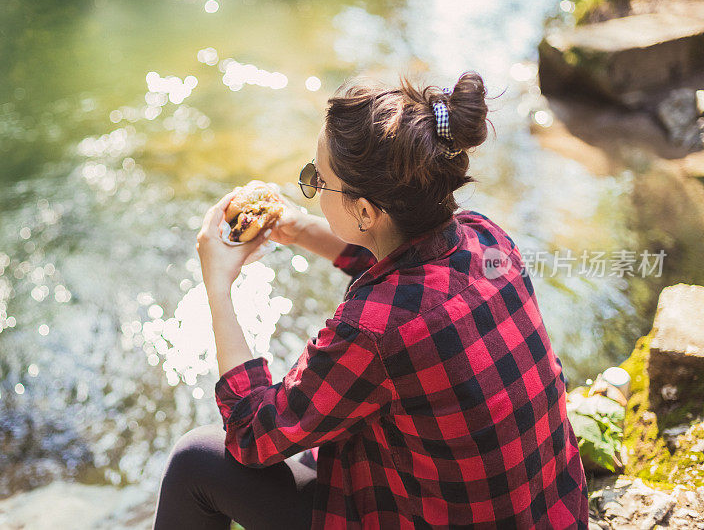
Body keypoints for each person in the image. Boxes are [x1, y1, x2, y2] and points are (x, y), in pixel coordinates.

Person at [153, 72, 588, 529]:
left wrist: (218, 284)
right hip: (549, 514)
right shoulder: (487, 238)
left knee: (194, 462)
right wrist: (299, 228)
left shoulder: (373, 329)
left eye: (317, 180)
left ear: (365, 212)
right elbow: (406, 276)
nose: (312, 187)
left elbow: (252, 432)